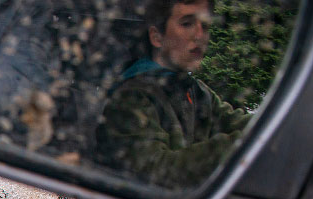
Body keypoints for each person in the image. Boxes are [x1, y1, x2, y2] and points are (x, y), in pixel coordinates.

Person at [96, 0, 250, 188]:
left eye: (205, 26)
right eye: (187, 23)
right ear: (157, 37)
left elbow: (238, 122)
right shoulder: (130, 99)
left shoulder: (196, 90)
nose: (200, 35)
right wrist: (243, 146)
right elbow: (159, 172)